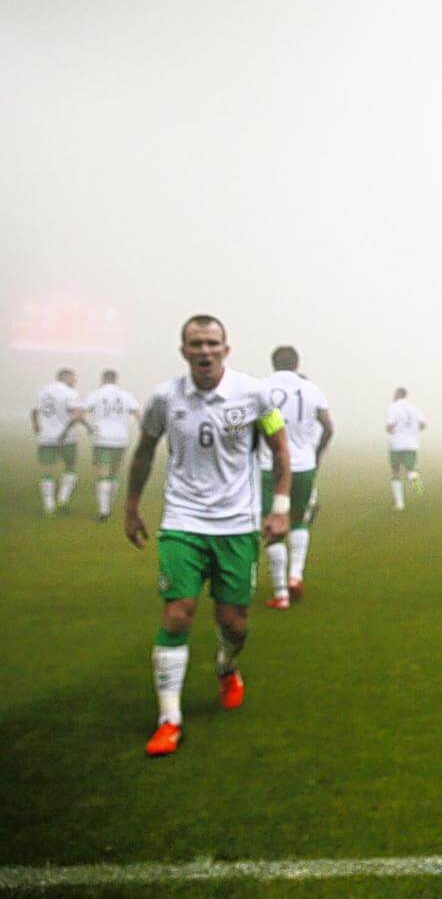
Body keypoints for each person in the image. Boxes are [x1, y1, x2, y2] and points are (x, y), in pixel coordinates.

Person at [125, 315, 291, 757]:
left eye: (212, 343)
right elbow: (144, 451)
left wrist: (279, 509)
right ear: (184, 351)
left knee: (233, 622)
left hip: (237, 526)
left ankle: (226, 665)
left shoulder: (254, 394)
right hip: (183, 521)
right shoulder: (164, 397)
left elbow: (279, 449)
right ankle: (169, 720)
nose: (205, 351)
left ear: (225, 349)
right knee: (178, 612)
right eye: (196, 344)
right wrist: (131, 505)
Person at [259, 348, 334, 609]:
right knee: (299, 520)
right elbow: (329, 427)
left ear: (273, 363)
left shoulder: (262, 389)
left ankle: (281, 594)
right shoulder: (311, 389)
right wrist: (316, 454)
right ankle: (295, 576)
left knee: (272, 526)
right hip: (303, 465)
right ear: (296, 363)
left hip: (270, 466)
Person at [82, 369, 141, 521]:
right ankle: (109, 503)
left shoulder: (96, 394)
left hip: (101, 437)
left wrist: (89, 426)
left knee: (103, 473)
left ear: (102, 379)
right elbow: (138, 415)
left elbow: (80, 413)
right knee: (114, 472)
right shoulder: (125, 395)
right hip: (120, 438)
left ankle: (104, 510)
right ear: (116, 379)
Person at [31, 368, 85, 514]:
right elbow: (78, 415)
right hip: (67, 438)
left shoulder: (43, 390)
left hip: (46, 436)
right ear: (65, 378)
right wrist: (88, 426)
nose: (75, 381)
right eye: (73, 378)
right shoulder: (70, 393)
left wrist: (36, 425)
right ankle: (62, 499)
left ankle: (49, 506)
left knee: (47, 470)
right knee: (70, 466)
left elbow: (34, 411)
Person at [386, 387, 426, 511]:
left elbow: (390, 426)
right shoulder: (414, 408)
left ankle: (400, 504)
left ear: (398, 394)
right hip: (411, 444)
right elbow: (423, 425)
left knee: (395, 471)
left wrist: (390, 430)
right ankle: (416, 481)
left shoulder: (393, 408)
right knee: (410, 469)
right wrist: (413, 432)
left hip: (397, 444)